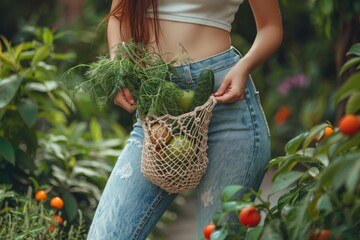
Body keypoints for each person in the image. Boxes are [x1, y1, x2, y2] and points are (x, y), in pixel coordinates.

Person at [88, 0, 283, 239]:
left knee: (219, 235)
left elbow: (271, 28)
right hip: (158, 111)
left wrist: (243, 68)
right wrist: (118, 67)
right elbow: (118, 16)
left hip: (224, 105)